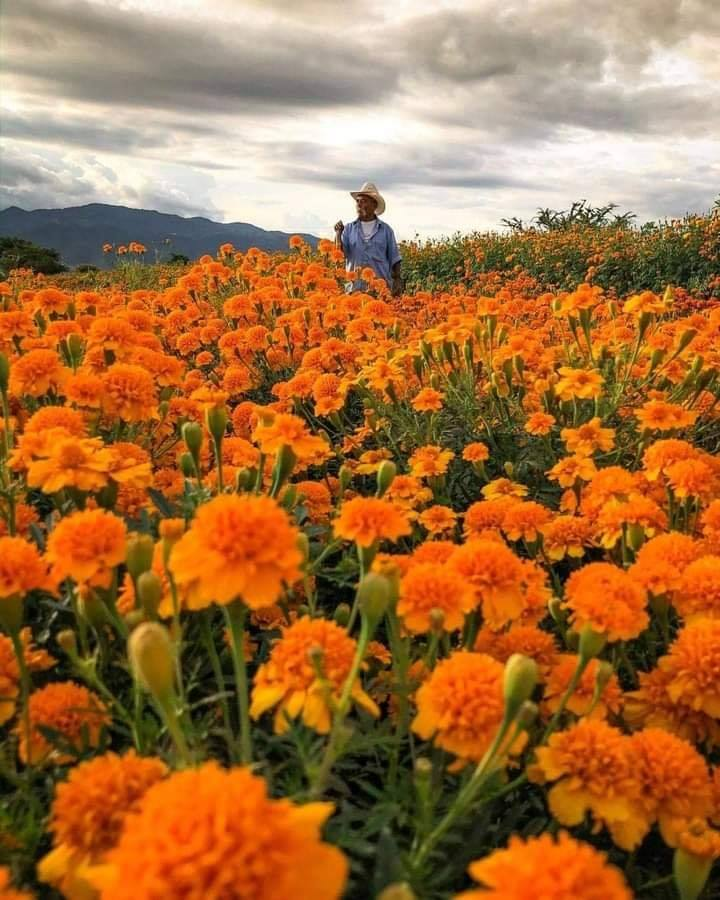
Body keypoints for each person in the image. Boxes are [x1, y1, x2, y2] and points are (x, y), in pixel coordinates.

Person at [334, 181, 404, 296]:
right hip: (354, 290)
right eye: (357, 201)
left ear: (374, 204)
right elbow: (339, 255)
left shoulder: (386, 230)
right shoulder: (348, 229)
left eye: (364, 201)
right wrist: (338, 233)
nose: (359, 204)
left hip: (380, 291)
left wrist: (397, 281)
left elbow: (395, 258)